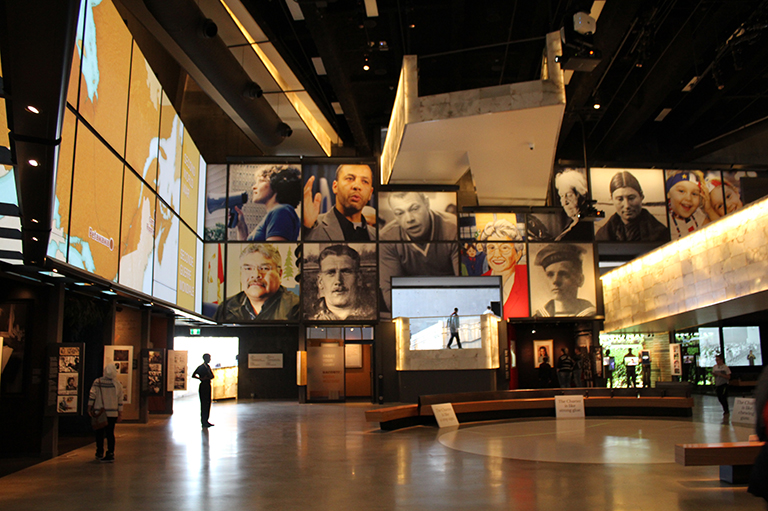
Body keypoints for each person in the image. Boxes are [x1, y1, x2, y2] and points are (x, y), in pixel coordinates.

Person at [213, 244, 300, 322]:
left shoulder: (296, 307)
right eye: (248, 269)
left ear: (279, 274)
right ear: (241, 274)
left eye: (264, 268)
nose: (255, 275)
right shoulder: (227, 307)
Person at [303, 164, 376, 241]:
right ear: (335, 187)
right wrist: (306, 228)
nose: (357, 186)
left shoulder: (376, 235)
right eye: (350, 178)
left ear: (370, 193)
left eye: (365, 181)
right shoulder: (312, 226)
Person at [595, 171, 669, 242]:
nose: (627, 205)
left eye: (631, 198)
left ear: (641, 197)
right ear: (612, 200)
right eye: (620, 199)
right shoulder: (602, 236)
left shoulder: (660, 233)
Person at [234, 165, 302, 241]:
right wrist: (241, 226)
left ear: (277, 184)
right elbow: (248, 249)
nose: (253, 187)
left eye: (261, 181)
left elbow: (271, 250)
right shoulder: (278, 212)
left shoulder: (281, 211)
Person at [478, 219, 529, 318]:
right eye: (491, 248)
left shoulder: (528, 278)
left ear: (518, 254)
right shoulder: (481, 281)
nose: (497, 255)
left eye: (504, 248)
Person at [311, 245, 374, 320]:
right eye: (331, 273)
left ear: (359, 279)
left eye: (346, 272)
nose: (338, 281)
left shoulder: (374, 316)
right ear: (320, 281)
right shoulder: (308, 317)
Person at [533, 244, 596, 317]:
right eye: (550, 274)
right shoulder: (539, 317)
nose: (555, 281)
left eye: (563, 274)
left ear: (580, 280)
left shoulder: (591, 315)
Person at [380, 192, 456, 242]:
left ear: (426, 203)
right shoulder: (385, 237)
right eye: (399, 213)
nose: (409, 219)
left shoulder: (454, 226)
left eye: (414, 209)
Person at [88, 364, 123, 462]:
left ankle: (99, 452)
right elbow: (120, 400)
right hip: (112, 413)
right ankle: (110, 452)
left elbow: (92, 395)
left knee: (99, 433)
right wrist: (120, 413)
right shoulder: (117, 384)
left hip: (100, 412)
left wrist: (89, 407)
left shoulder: (97, 382)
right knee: (110, 433)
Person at [666, 170, 710, 239]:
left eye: (694, 194)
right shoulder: (663, 219)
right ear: (668, 193)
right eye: (681, 191)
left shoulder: (697, 214)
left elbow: (719, 233)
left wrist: (709, 209)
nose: (689, 198)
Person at [554, 170, 593, 241]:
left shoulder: (586, 228)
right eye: (561, 196)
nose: (564, 203)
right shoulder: (571, 224)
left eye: (569, 195)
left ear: (582, 196)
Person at [192, 354, 215, 428]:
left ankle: (206, 420)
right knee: (204, 403)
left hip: (208, 385)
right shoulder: (201, 367)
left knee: (208, 403)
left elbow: (212, 376)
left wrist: (208, 377)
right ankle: (203, 421)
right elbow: (193, 375)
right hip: (203, 386)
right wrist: (200, 379)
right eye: (209, 358)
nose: (210, 359)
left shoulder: (208, 367)